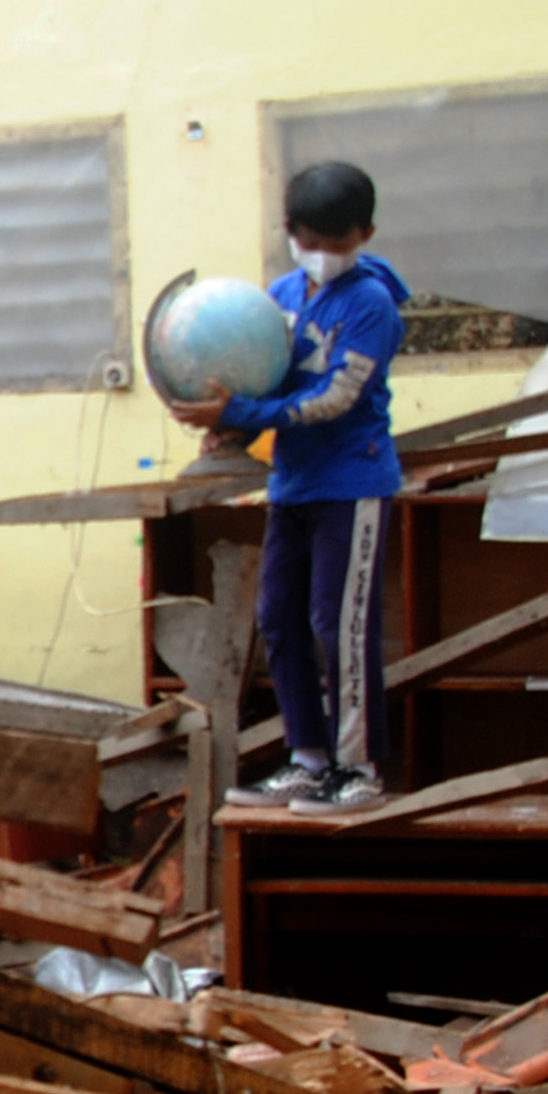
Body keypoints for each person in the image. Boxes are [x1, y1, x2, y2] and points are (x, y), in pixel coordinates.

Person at [166, 160, 411, 813]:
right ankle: (307, 758)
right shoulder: (278, 297)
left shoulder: (371, 304)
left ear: (366, 232)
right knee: (278, 616)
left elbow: (334, 398)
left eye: (339, 241)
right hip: (294, 485)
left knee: (341, 625)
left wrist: (239, 414)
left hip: (352, 483)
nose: (324, 254)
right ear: (290, 231)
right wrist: (223, 429)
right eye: (312, 239)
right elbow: (264, 380)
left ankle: (358, 769)